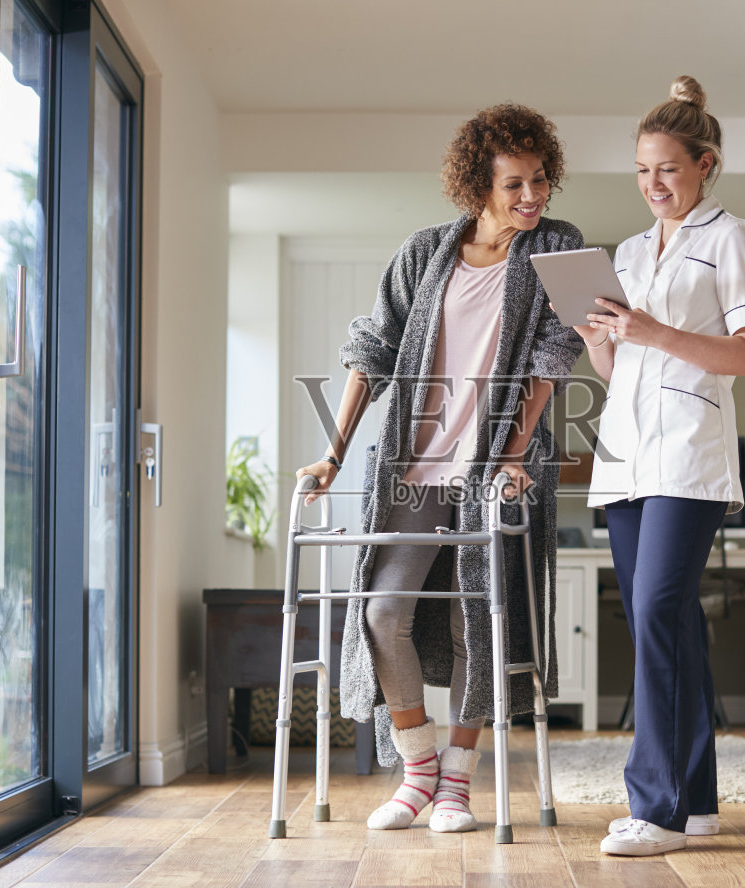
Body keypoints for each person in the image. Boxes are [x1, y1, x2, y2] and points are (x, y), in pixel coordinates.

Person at [294, 104, 583, 834]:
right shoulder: (426, 252)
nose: (531, 197)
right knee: (382, 612)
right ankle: (416, 770)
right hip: (413, 467)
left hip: (494, 470)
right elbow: (371, 349)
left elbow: (554, 356)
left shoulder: (557, 246)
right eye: (514, 184)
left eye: (540, 180)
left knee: (474, 625)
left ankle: (458, 783)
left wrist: (513, 457)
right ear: (476, 188)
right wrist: (332, 454)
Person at [575, 76, 745, 856]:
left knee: (657, 609)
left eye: (667, 167)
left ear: (705, 163)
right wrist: (601, 336)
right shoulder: (626, 252)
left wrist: (653, 332)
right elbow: (617, 365)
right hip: (626, 454)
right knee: (674, 619)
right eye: (641, 171)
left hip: (689, 453)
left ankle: (652, 808)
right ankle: (694, 802)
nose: (653, 184)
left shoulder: (733, 238)